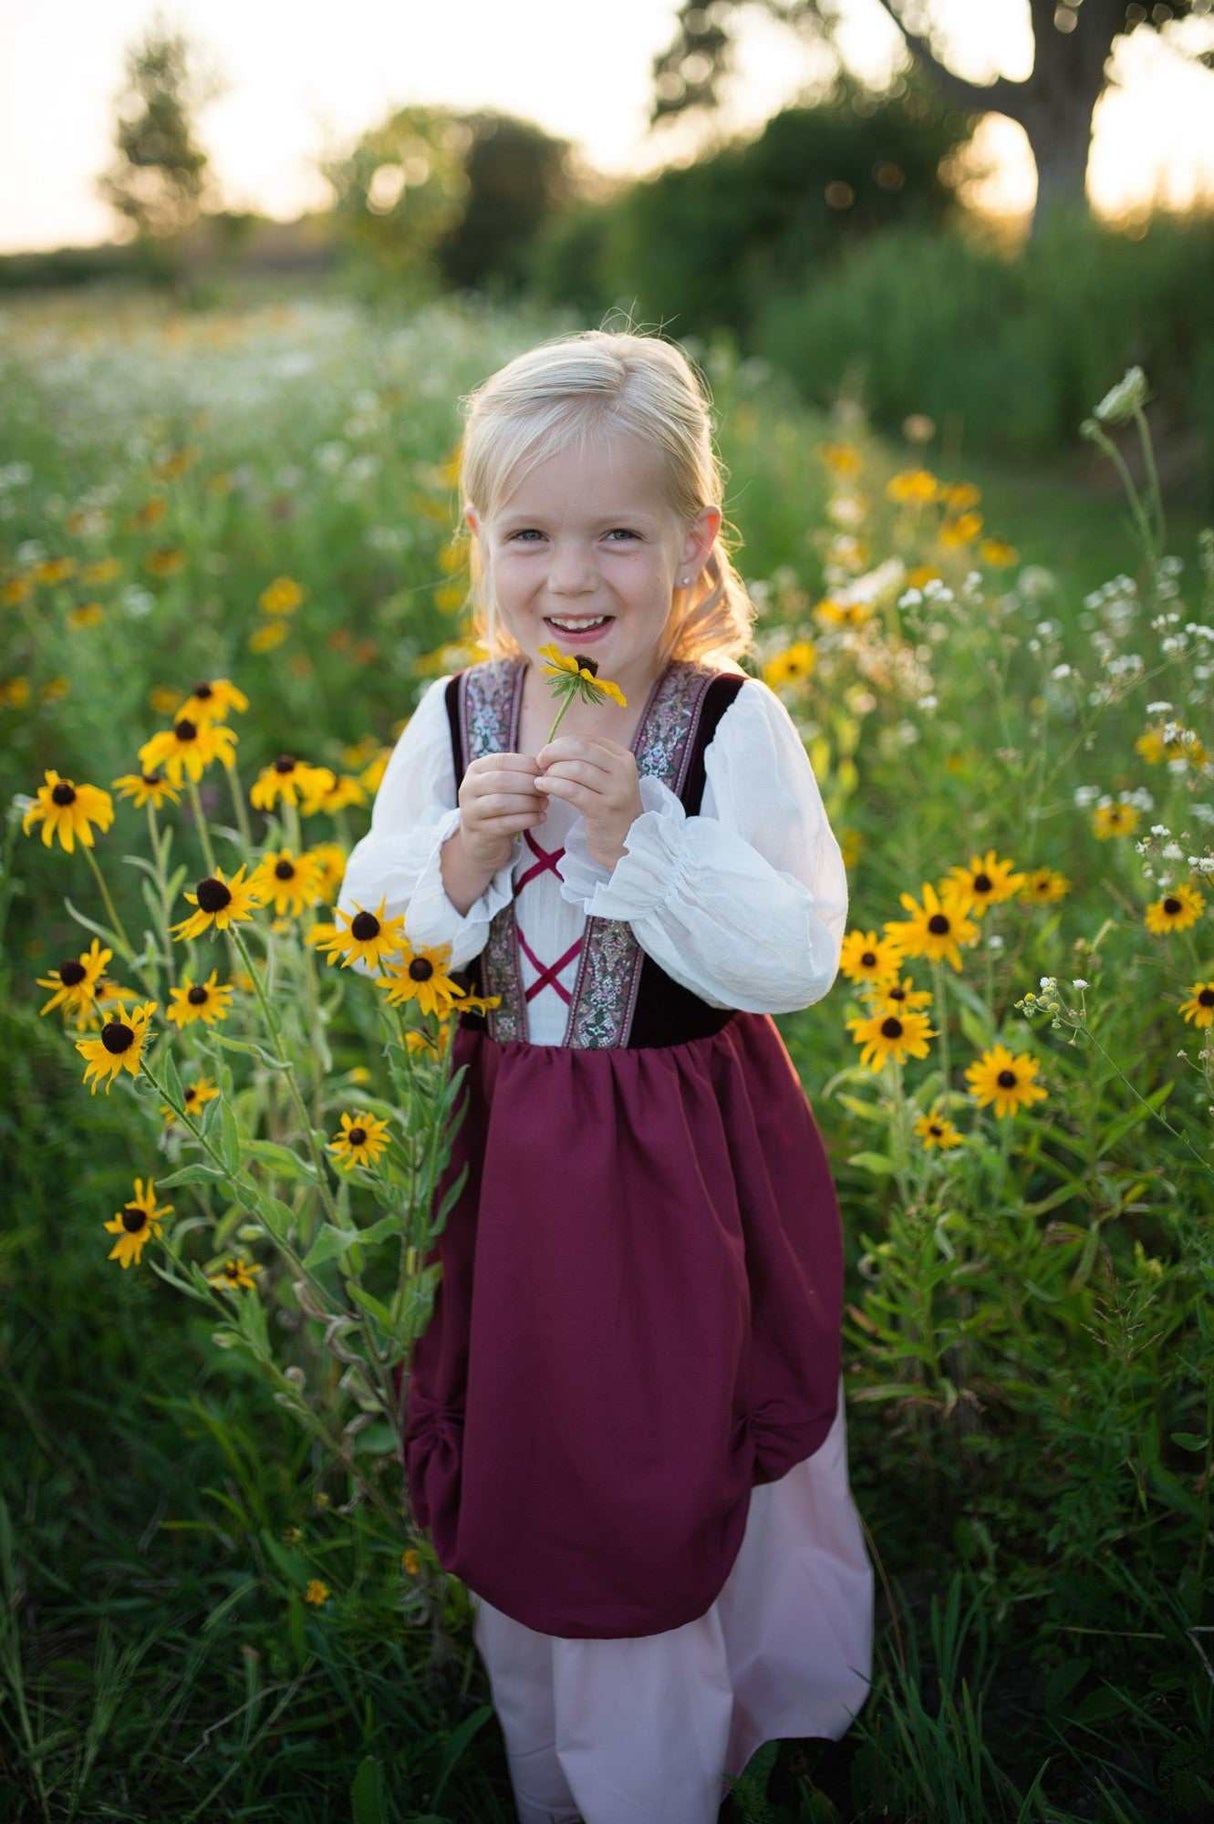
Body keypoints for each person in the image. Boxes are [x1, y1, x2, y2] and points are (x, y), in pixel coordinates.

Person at [336, 327, 874, 1824]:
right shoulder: (457, 723)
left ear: (694, 542)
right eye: (531, 536)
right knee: (546, 1435)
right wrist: (463, 850)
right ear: (479, 545)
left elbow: (791, 954)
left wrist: (645, 837)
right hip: (517, 1159)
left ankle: (740, 1723)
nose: (572, 580)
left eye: (618, 535)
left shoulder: (727, 727)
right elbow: (377, 928)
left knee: (684, 1426)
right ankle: (574, 1752)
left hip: (685, 1155)